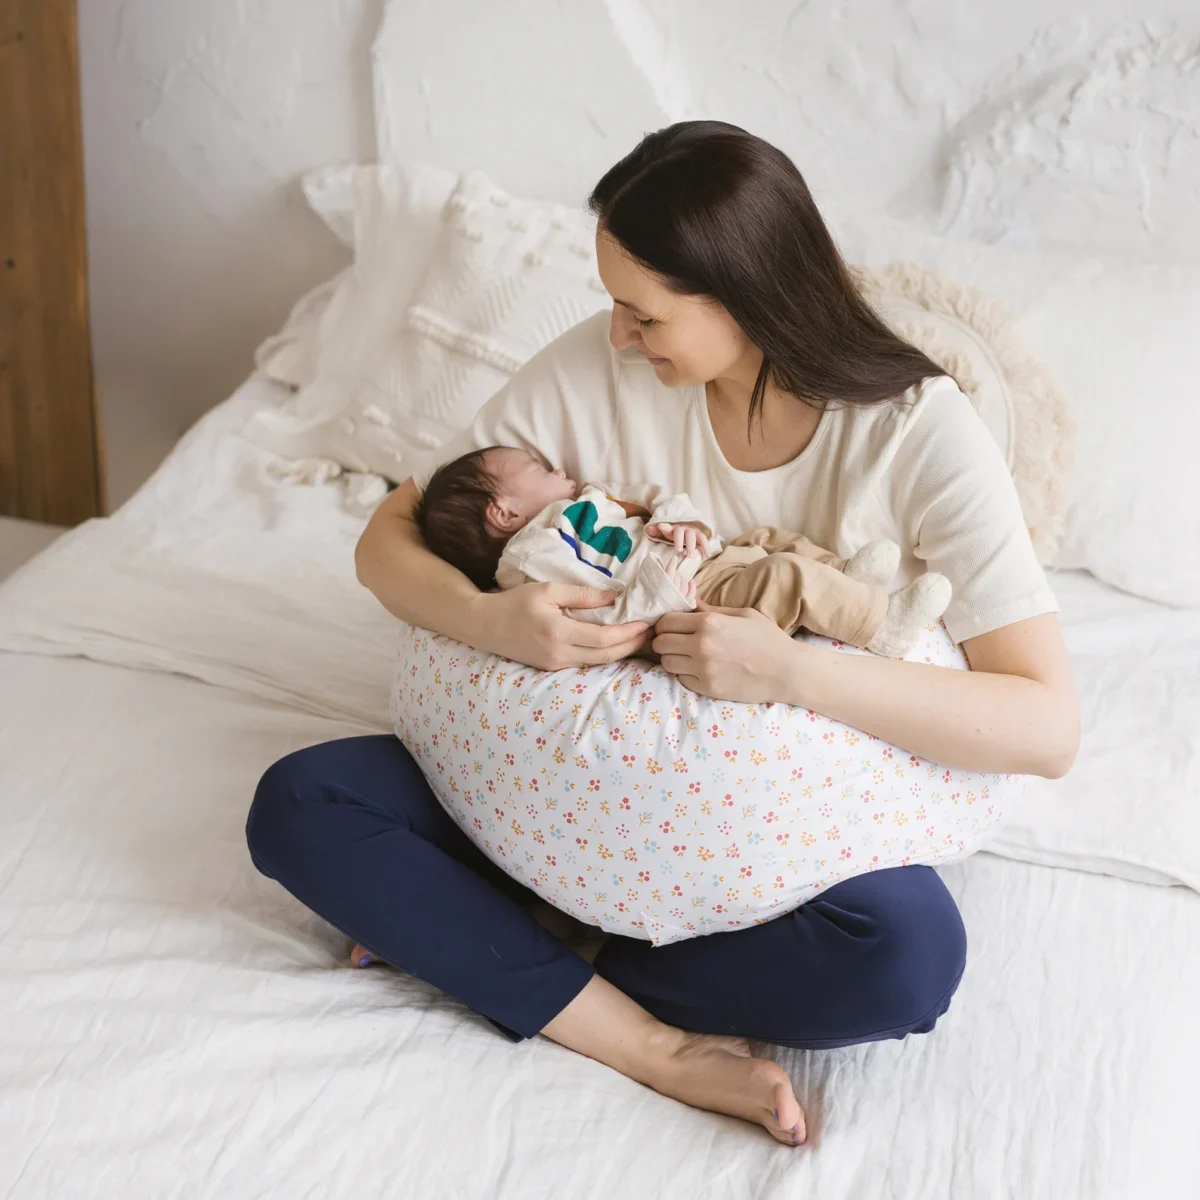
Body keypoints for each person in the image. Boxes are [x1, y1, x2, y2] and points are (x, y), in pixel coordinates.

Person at [245, 121, 1079, 1147]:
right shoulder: (595, 373)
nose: (617, 339)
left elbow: (1045, 726)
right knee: (303, 805)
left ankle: (498, 943)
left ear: (745, 296)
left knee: (905, 960)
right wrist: (493, 620)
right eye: (613, 308)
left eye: (643, 316)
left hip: (755, 842)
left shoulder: (913, 430)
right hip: (549, 796)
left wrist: (788, 674)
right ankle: (640, 1039)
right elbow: (388, 541)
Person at [414, 443, 952, 655]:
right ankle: (882, 625)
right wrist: (661, 590)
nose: (559, 470)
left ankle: (849, 577)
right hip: (690, 598)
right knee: (782, 573)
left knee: (767, 539)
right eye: (538, 471)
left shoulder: (585, 501)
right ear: (503, 513)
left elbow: (651, 506)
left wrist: (681, 524)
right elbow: (597, 613)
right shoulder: (531, 559)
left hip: (704, 558)